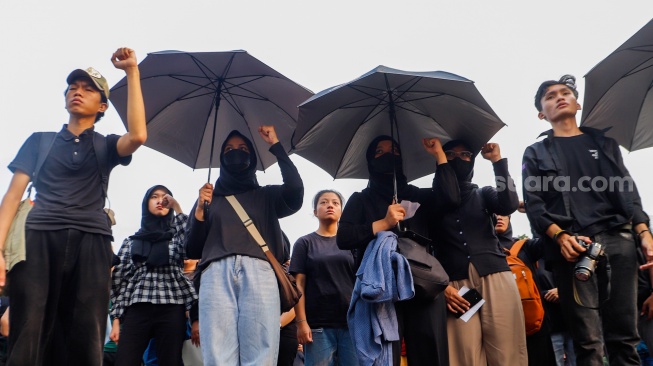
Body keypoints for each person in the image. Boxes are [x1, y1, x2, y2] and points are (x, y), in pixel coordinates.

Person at [0, 47, 146, 365]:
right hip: (38, 237)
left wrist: (132, 72)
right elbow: (12, 196)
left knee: (85, 337)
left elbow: (138, 135)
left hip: (91, 241)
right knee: (28, 333)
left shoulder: (106, 145)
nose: (77, 92)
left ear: (103, 105)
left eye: (88, 89)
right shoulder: (39, 140)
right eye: (73, 87)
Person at [522, 75, 653, 366]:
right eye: (550, 95)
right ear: (542, 113)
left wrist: (644, 231)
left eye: (565, 92)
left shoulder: (605, 144)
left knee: (624, 337)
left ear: (577, 102)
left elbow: (627, 189)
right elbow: (534, 203)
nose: (559, 97)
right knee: (587, 340)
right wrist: (558, 236)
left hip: (619, 241)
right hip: (572, 248)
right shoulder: (535, 153)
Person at [186, 126, 304, 365]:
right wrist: (199, 210)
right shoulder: (209, 199)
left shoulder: (266, 196)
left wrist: (276, 145)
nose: (235, 153)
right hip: (215, 273)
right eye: (228, 149)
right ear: (220, 158)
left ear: (252, 157)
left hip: (260, 273)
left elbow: (295, 192)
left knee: (260, 353)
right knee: (218, 356)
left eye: (242, 149)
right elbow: (191, 249)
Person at [337, 135, 458, 366]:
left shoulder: (417, 195)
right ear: (370, 161)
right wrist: (382, 223)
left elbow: (451, 198)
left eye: (393, 150)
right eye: (379, 153)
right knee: (385, 357)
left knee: (431, 354)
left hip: (422, 283)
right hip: (382, 287)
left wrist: (439, 155)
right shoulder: (361, 199)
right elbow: (343, 238)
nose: (387, 155)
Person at [432, 139, 526, 365]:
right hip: (455, 285)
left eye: (465, 154)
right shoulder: (431, 201)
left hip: (495, 275)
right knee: (464, 355)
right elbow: (450, 198)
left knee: (507, 351)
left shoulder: (483, 193)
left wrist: (497, 162)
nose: (458, 159)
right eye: (450, 155)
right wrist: (441, 286)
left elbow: (509, 204)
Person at [110, 185, 197, 366]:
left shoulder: (176, 238)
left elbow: (191, 242)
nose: (160, 201)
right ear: (146, 203)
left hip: (172, 306)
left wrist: (177, 207)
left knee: (170, 361)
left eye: (165, 197)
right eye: (154, 197)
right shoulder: (131, 241)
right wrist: (116, 319)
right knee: (125, 360)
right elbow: (119, 282)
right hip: (138, 306)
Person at [290, 189, 357, 366]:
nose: (330, 205)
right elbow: (299, 285)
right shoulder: (305, 243)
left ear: (341, 211)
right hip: (318, 325)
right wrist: (301, 322)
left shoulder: (352, 243)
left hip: (351, 323)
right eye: (324, 202)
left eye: (335, 203)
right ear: (315, 211)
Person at [495, 214, 557, 366]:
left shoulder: (525, 246)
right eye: (494, 213)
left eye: (504, 214)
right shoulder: (481, 251)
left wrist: (533, 211)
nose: (499, 217)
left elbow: (551, 239)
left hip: (534, 322)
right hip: (500, 323)